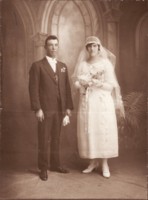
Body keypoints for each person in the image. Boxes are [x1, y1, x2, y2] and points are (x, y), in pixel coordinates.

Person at [73, 36, 124, 178]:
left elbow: (111, 85)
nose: (91, 49)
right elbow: (76, 83)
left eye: (94, 46)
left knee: (103, 129)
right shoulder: (83, 65)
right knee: (90, 130)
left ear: (99, 47)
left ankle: (104, 163)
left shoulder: (106, 63)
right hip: (88, 102)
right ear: (86, 49)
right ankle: (93, 161)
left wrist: (98, 83)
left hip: (102, 102)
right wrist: (82, 84)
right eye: (89, 46)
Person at [29, 35, 73, 181]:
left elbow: (66, 88)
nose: (54, 47)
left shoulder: (63, 66)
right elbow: (33, 89)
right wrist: (37, 109)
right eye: (50, 45)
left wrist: (68, 108)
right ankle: (43, 168)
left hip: (59, 109)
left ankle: (55, 164)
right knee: (44, 139)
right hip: (45, 110)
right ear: (45, 47)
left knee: (56, 138)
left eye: (56, 45)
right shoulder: (37, 66)